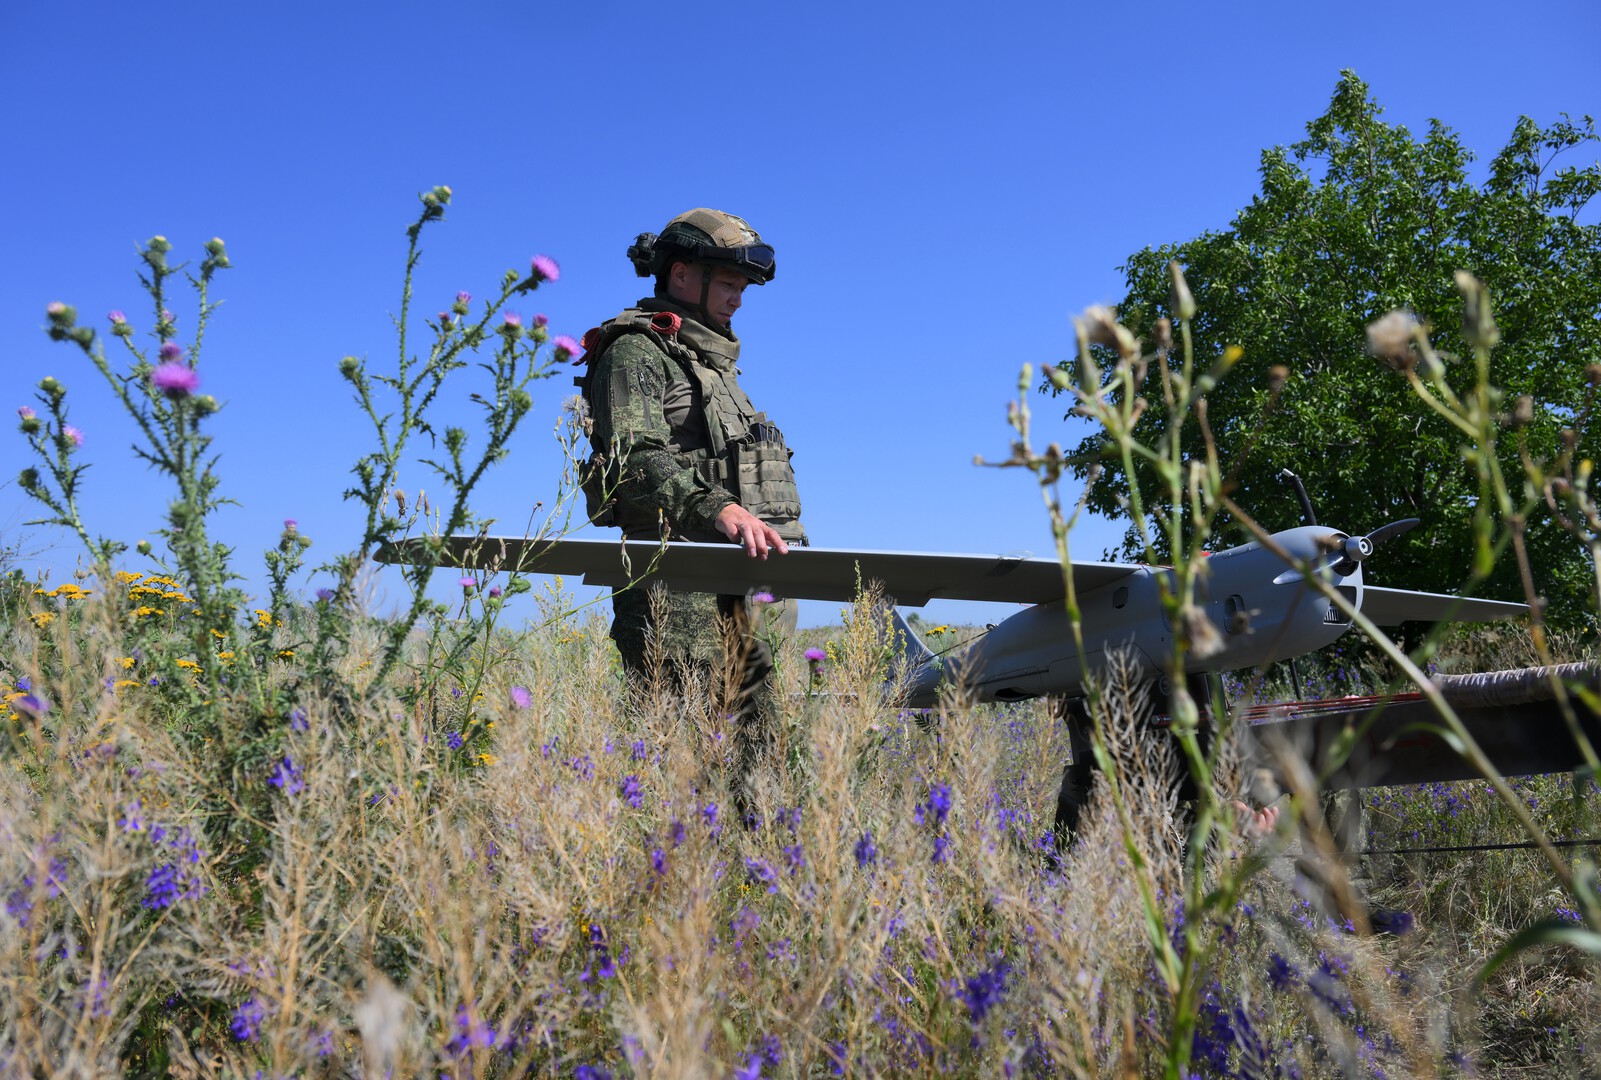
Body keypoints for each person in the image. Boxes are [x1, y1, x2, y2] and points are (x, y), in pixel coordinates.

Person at [576, 208, 805, 816]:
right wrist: (718, 508)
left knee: (763, 759)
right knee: (683, 766)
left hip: (746, 589)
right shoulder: (635, 351)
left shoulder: (710, 365)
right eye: (727, 284)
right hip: (677, 593)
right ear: (680, 275)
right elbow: (635, 457)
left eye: (741, 288)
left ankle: (757, 887)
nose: (737, 300)